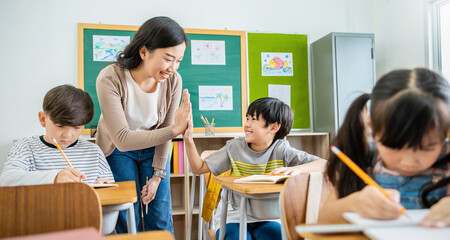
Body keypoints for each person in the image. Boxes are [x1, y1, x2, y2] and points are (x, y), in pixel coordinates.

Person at [173, 97, 326, 240]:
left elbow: (324, 164)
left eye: (253, 119)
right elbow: (199, 168)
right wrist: (188, 139)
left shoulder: (282, 150)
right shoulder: (235, 147)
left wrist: (297, 170)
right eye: (247, 118)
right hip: (233, 216)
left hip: (268, 216)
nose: (246, 124)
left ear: (273, 127)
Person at [319, 68, 450, 228]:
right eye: (394, 146)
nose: (408, 162)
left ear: (445, 133)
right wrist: (356, 203)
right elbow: (323, 220)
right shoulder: (365, 156)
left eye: (427, 148)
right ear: (373, 128)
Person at [95, 16, 191, 233]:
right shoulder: (110, 78)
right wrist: (174, 130)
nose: (173, 68)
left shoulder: (174, 81)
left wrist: (158, 174)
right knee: (127, 213)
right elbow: (122, 139)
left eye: (179, 60)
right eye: (168, 58)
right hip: (118, 149)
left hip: (154, 148)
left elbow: (166, 128)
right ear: (144, 51)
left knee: (159, 216)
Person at [0, 84, 114, 186]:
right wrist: (54, 178)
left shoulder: (93, 151)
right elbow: (6, 180)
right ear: (43, 119)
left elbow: (114, 196)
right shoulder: (25, 147)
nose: (68, 135)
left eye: (77, 127)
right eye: (60, 125)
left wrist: (103, 186)